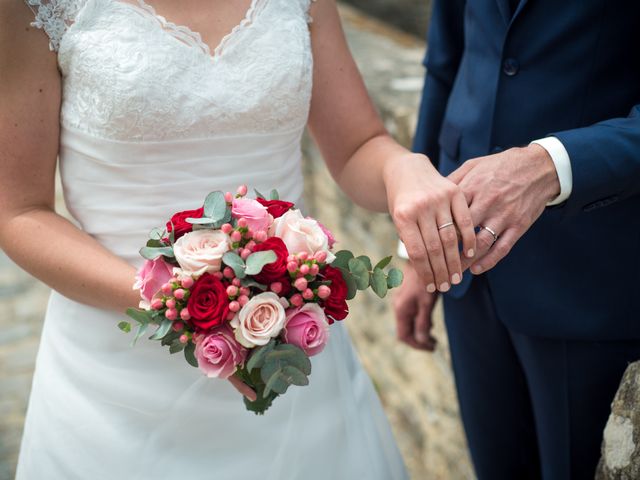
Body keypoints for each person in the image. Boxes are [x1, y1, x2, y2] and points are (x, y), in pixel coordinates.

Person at [1, 0, 473, 478]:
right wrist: (182, 303)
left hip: (288, 357)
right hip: (115, 385)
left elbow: (356, 148)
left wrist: (400, 167)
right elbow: (19, 212)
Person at [393, 0, 640, 478]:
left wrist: (550, 163)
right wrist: (415, 249)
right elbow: (446, 64)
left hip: (591, 275)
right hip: (462, 275)